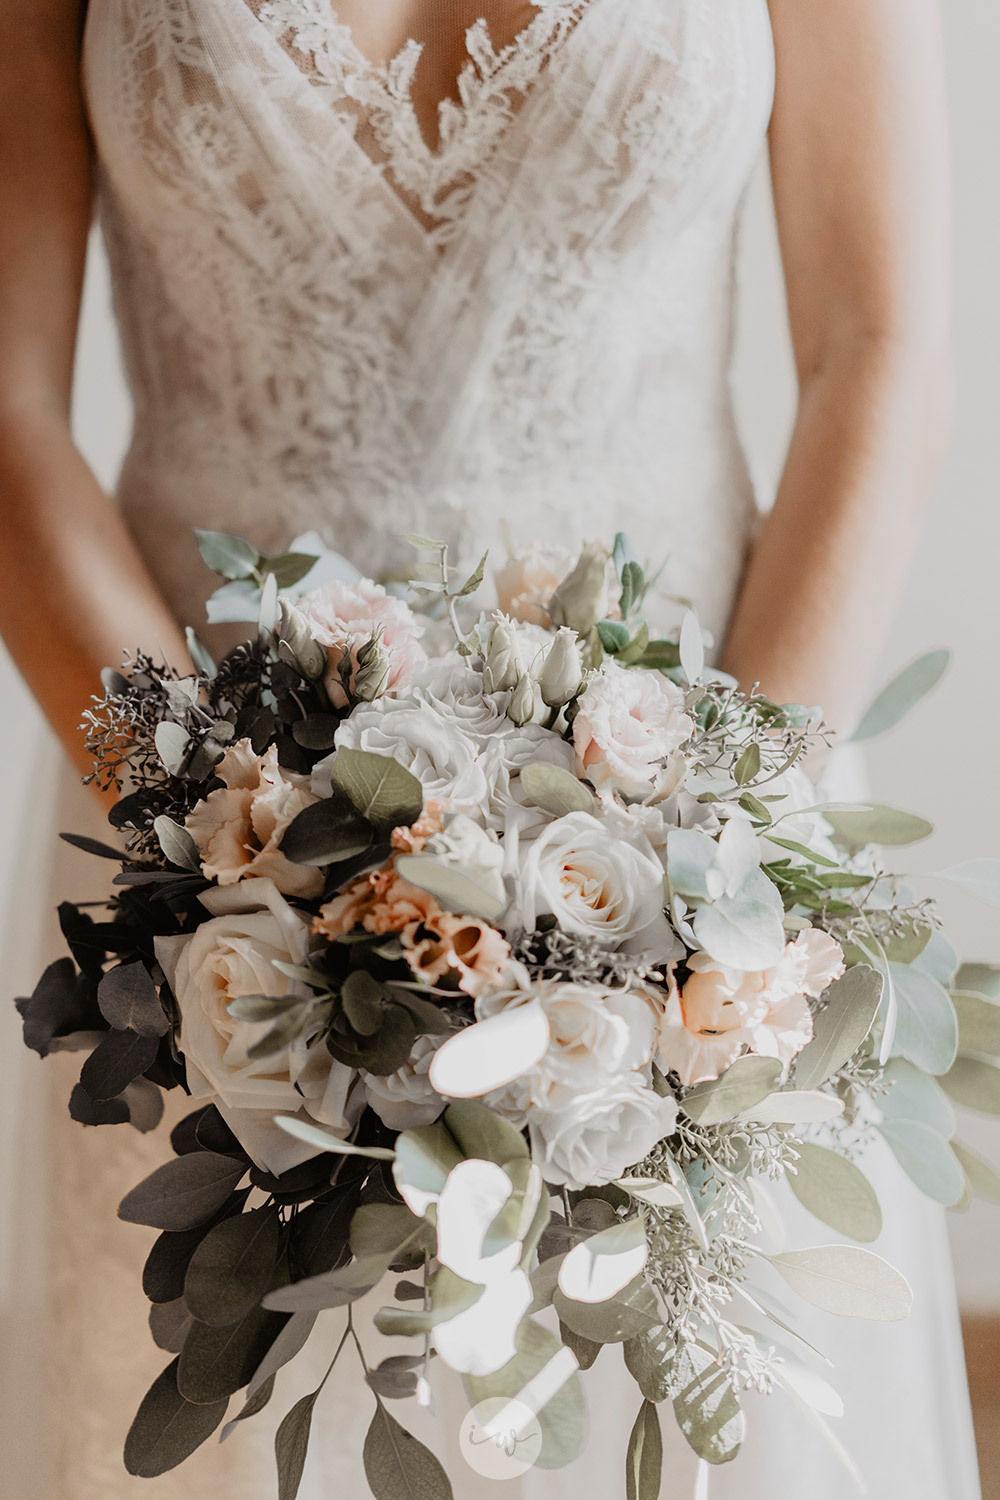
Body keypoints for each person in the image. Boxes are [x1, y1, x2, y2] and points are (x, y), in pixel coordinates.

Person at [0, 1, 980, 1496]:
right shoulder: (215, 866)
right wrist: (231, 860)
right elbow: (5, 405)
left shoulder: (713, 855)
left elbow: (877, 342)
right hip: (203, 858)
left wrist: (708, 881)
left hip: (703, 796)